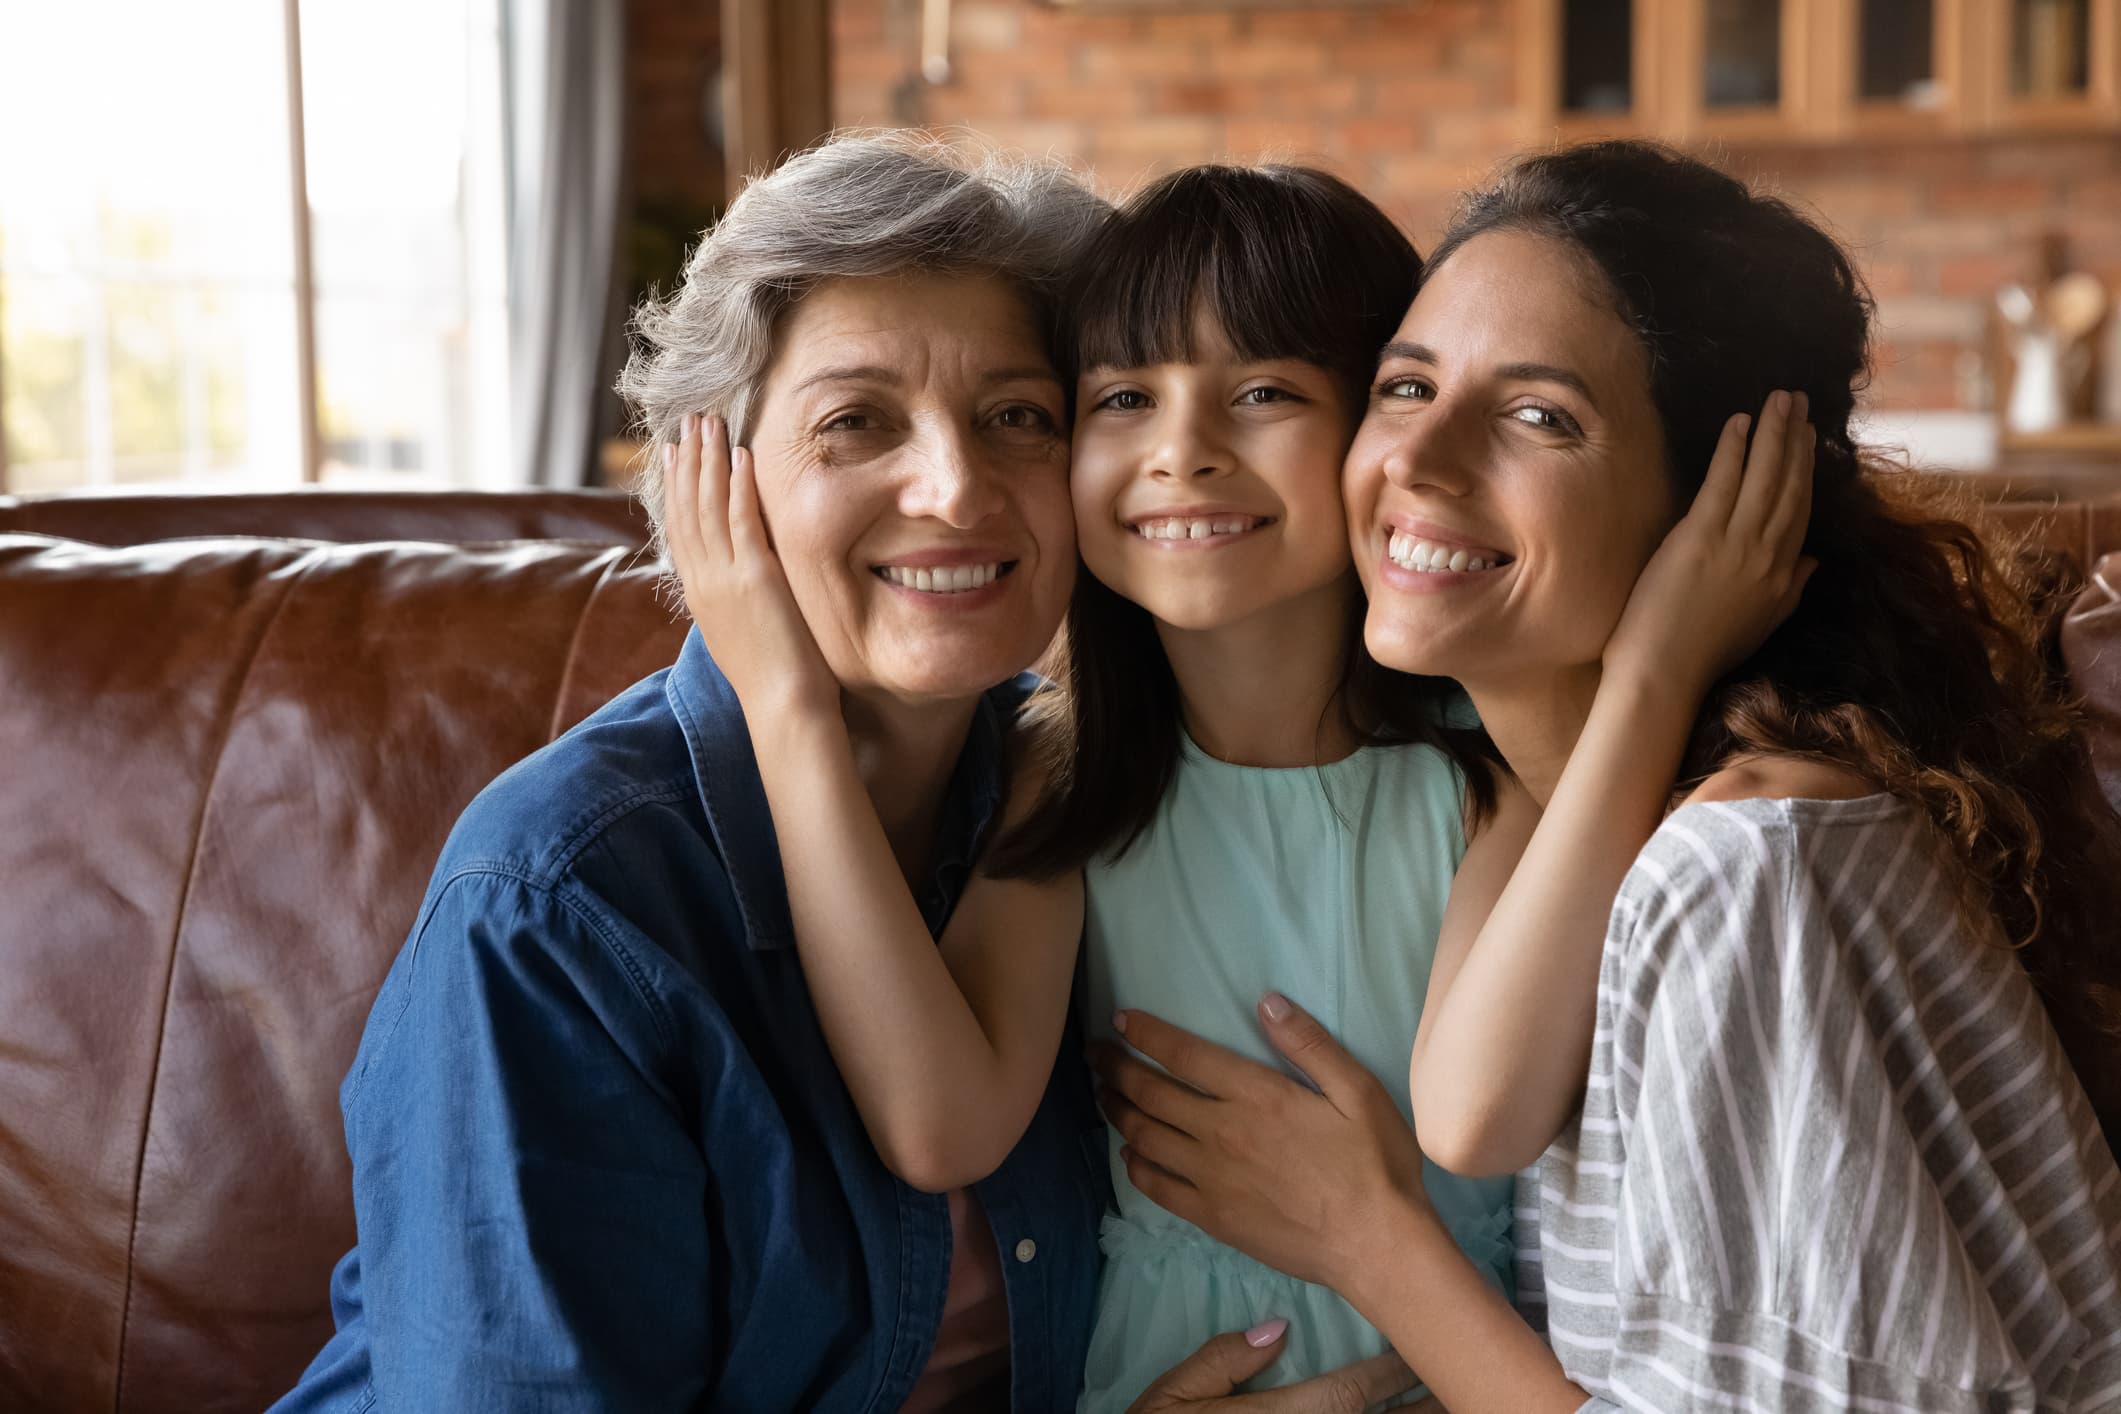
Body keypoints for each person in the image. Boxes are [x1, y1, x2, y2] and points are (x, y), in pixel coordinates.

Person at [668, 160, 1802, 1411]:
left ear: (1376, 422)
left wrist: (1653, 669)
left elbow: (1477, 1116)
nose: (1185, 453)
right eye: (1123, 398)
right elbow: (943, 1125)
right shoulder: (1071, 769)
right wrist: (786, 707)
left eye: (1263, 392)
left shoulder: (1481, 768)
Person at [1094, 139, 2121, 1413]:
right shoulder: (1547, 833)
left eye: (1540, 416)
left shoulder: (1749, 868)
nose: (1421, 460)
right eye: (1406, 388)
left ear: (1712, 507)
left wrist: (1363, 1233)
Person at [271, 131, 1114, 1413]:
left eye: (1017, 416)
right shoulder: (559, 901)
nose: (954, 487)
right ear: (711, 479)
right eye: (856, 422)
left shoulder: (1079, 799)